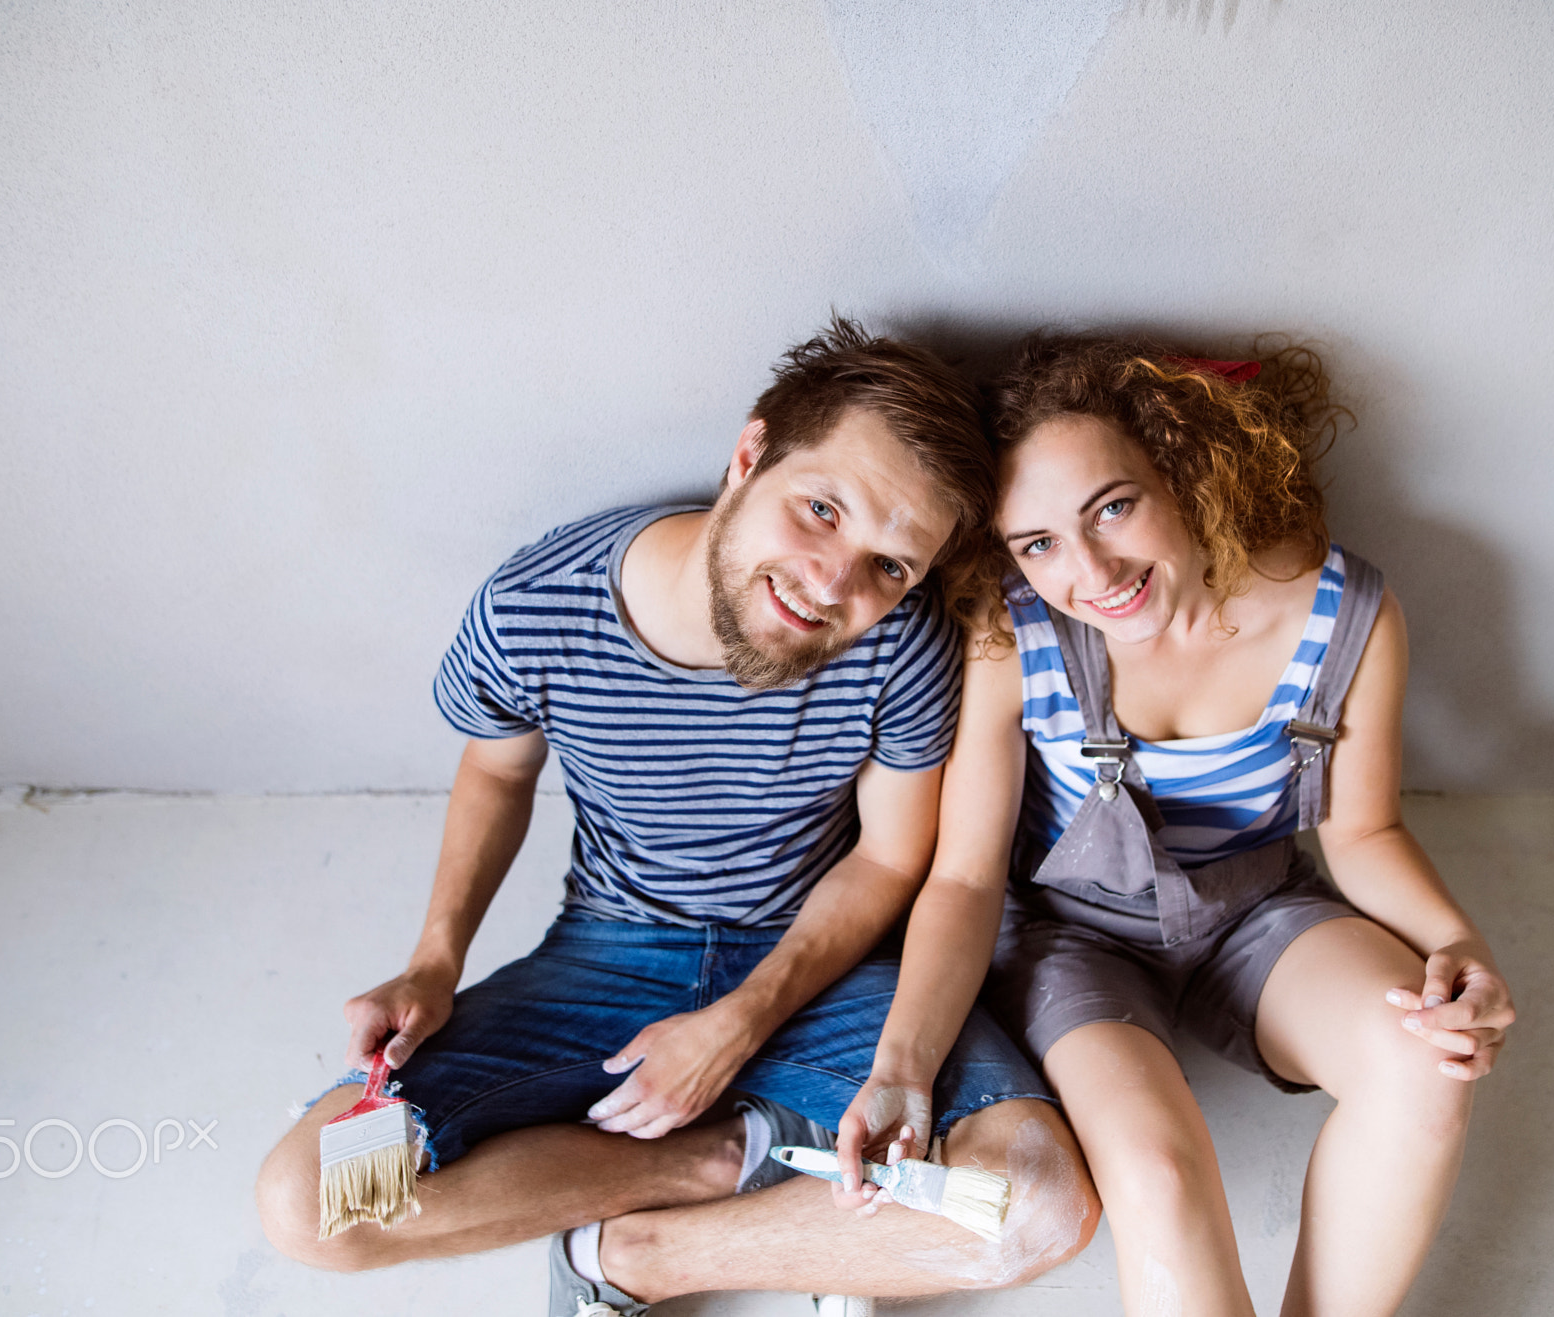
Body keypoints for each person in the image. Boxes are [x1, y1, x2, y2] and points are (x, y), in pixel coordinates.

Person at [254, 320, 1097, 1315]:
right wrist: (434, 962)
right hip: (605, 955)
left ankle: (639, 1257)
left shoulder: (901, 643)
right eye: (820, 510)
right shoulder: (534, 603)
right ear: (747, 456)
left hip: (821, 966)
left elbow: (888, 861)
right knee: (313, 1201)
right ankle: (721, 1163)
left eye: (888, 566)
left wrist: (741, 1021)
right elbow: (494, 775)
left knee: (1035, 1201)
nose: (834, 585)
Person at [833, 333, 1518, 1317]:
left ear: (1186, 468)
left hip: (1254, 910)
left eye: (1111, 507)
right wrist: (901, 1066)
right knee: (1154, 1173)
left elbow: (1361, 834)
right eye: (1037, 545)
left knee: (1425, 1064)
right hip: (1071, 941)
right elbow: (966, 878)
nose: (1091, 570)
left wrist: (1456, 946)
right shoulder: (1013, 634)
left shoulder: (1341, 613)